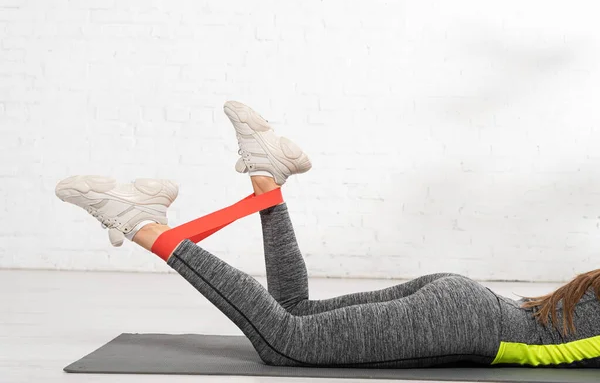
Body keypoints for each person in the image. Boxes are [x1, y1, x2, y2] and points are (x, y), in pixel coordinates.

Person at [55, 101, 600, 368]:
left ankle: (266, 170)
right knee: (286, 344)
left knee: (295, 309)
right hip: (470, 323)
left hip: (471, 301)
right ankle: (140, 223)